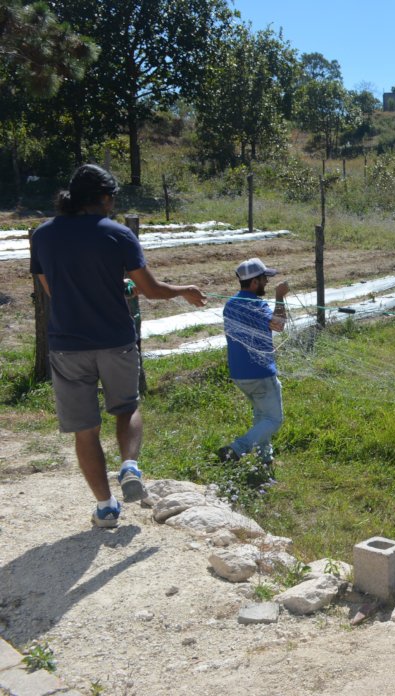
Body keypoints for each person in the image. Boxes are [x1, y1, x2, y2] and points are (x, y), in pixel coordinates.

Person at [29, 164, 207, 528]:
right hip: (115, 341)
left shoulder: (43, 235)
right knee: (126, 407)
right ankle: (129, 466)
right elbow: (152, 290)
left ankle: (106, 507)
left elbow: (53, 289)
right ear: (104, 198)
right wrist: (185, 290)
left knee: (85, 429)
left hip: (67, 345)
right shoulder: (117, 234)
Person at [218, 258, 290, 465]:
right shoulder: (256, 304)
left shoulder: (230, 304)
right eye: (264, 278)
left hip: (239, 374)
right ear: (254, 282)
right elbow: (278, 325)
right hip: (260, 372)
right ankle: (236, 449)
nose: (267, 282)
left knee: (261, 415)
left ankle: (265, 456)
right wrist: (280, 296)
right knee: (273, 419)